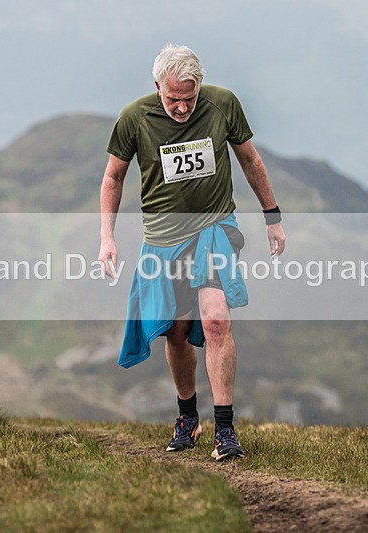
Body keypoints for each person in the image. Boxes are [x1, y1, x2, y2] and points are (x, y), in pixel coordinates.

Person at [98, 44, 285, 461]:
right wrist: (106, 237)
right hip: (163, 240)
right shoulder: (134, 118)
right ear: (157, 87)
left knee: (216, 320)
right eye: (173, 99)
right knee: (177, 332)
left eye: (190, 98)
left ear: (200, 86)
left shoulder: (223, 104)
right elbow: (113, 178)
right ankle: (187, 417)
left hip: (215, 230)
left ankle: (225, 430)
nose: (182, 108)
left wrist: (272, 215)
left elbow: (250, 160)